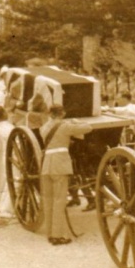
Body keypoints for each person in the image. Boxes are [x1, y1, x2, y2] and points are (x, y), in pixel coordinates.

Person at [39, 105, 93, 245]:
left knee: (49, 200)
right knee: (59, 200)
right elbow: (88, 127)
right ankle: (57, 235)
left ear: (50, 114)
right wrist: (76, 121)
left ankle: (50, 233)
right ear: (62, 113)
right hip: (60, 164)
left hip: (47, 165)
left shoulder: (44, 128)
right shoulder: (65, 126)